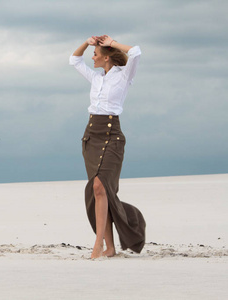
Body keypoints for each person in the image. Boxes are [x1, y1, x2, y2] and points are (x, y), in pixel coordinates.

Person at [69, 35, 146, 259]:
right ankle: (109, 247)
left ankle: (97, 245)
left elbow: (136, 52)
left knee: (102, 188)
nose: (92, 57)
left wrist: (111, 43)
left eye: (95, 54)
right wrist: (87, 42)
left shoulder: (124, 76)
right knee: (97, 190)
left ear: (107, 57)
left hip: (112, 135)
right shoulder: (95, 78)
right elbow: (74, 60)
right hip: (91, 135)